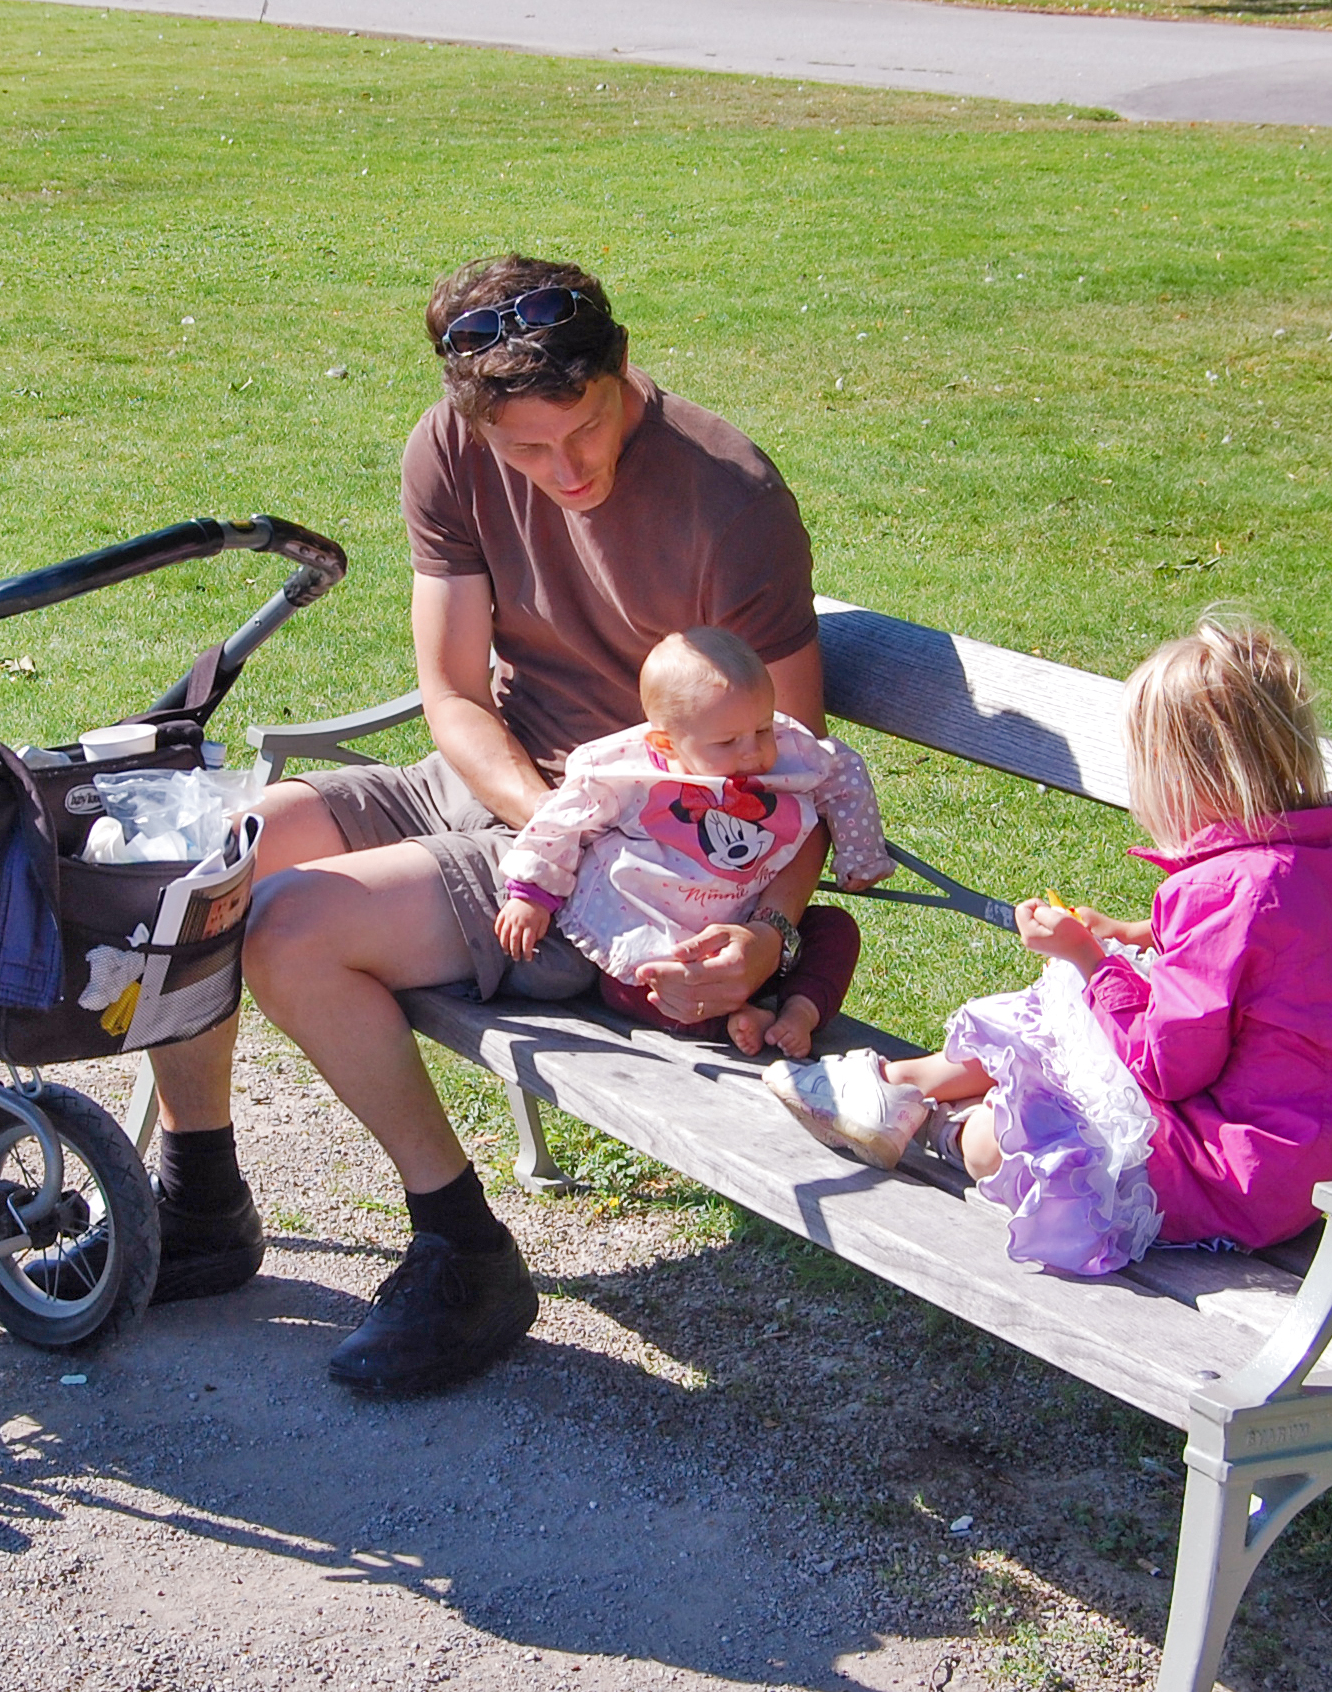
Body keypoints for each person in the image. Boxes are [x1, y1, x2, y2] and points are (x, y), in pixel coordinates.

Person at [135, 254, 829, 1395]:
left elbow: (794, 776)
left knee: (293, 926)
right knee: (202, 870)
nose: (568, 470)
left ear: (621, 365)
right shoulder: (448, 447)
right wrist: (547, 821)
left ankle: (463, 1248)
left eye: (587, 426)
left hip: (642, 866)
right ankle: (199, 1200)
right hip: (515, 794)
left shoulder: (732, 501)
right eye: (528, 451)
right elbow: (455, 694)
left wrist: (769, 934)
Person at [769, 613, 1332, 1269]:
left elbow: (1167, 1065)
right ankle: (897, 1085)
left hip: (1225, 1172)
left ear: (1182, 775)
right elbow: (1263, 958)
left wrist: (1090, 958)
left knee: (1003, 1138)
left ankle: (938, 1120)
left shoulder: (1223, 888)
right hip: (1293, 1154)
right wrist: (1134, 936)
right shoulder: (1323, 853)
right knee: (1076, 1010)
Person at [493, 627, 893, 1059]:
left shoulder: (790, 751)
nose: (753, 752)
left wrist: (861, 855)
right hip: (664, 928)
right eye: (727, 742)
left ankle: (800, 1011)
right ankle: (736, 1019)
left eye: (763, 729)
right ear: (666, 744)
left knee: (835, 930)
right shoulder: (623, 772)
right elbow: (563, 821)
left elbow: (842, 771)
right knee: (640, 983)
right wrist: (532, 893)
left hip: (754, 925)